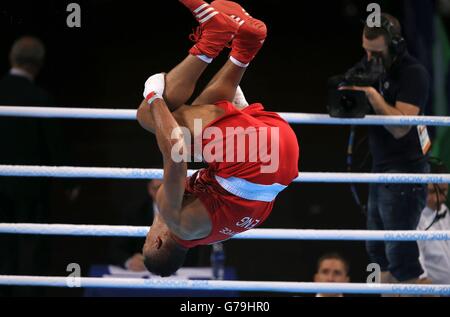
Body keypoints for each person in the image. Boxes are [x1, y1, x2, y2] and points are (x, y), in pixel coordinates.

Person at [136, 0, 299, 277]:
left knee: (198, 123)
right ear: (157, 240)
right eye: (146, 238)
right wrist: (154, 97)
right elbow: (175, 152)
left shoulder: (211, 231)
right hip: (254, 160)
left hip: (282, 152)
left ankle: (244, 49)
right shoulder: (175, 220)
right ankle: (212, 39)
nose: (149, 230)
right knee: (148, 117)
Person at [342, 13, 431, 285]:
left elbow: (400, 127)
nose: (370, 59)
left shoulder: (414, 73)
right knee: (377, 252)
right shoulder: (369, 68)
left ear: (395, 46)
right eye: (366, 52)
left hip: (406, 171)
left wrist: (372, 96)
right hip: (379, 170)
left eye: (376, 53)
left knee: (401, 256)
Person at [417, 160, 450, 285]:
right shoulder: (414, 222)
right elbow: (421, 280)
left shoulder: (445, 210)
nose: (438, 198)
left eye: (443, 191)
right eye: (431, 192)